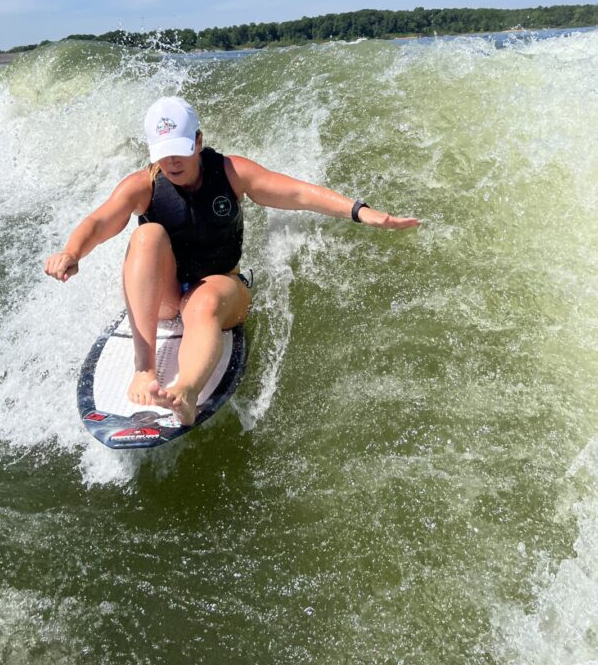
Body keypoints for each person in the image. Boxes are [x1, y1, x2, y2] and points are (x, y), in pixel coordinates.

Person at [45, 96, 419, 425]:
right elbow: (98, 221)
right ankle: (143, 370)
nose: (172, 160)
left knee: (204, 302)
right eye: (163, 151)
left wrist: (360, 211)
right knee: (146, 235)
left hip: (222, 290)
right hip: (168, 296)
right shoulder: (142, 185)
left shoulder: (229, 172)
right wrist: (72, 252)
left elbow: (297, 193)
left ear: (198, 140)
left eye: (180, 148)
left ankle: (185, 392)